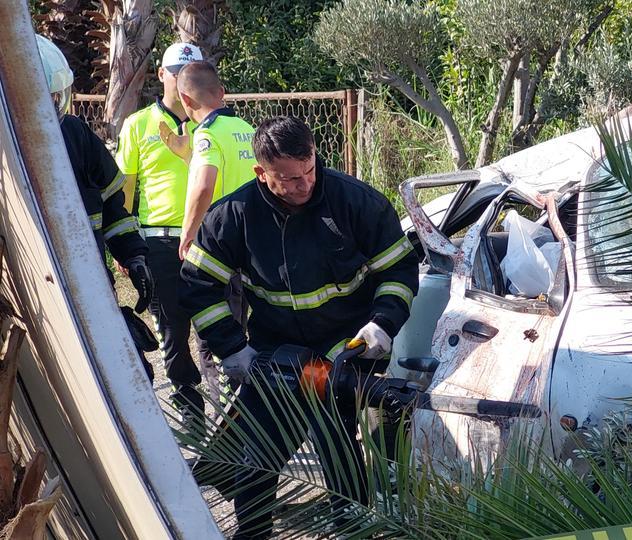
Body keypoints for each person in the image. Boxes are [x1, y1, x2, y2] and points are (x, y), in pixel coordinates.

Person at [179, 116, 419, 539]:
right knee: (257, 447)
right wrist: (233, 349)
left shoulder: (355, 202)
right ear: (260, 172)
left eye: (308, 170)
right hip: (274, 351)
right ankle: (252, 530)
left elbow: (398, 268)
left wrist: (382, 323)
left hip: (345, 346)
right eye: (287, 179)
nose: (302, 184)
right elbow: (198, 284)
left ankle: (351, 523)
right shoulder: (235, 215)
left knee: (336, 438)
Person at [35, 34, 156, 377]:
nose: (53, 105)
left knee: (128, 372)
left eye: (56, 97)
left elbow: (114, 203)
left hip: (91, 280)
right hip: (33, 290)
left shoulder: (74, 132)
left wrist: (134, 255)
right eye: (45, 98)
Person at [115, 43, 206, 422]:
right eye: (176, 71)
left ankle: (235, 420)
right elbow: (124, 190)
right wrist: (125, 249)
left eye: (192, 71)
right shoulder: (137, 125)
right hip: (158, 242)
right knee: (172, 330)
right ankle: (190, 410)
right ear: (162, 75)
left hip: (209, 241)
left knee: (218, 329)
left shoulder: (211, 122)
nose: (183, 79)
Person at [162, 61, 257, 259]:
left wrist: (188, 231)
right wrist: (188, 156)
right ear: (221, 92)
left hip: (222, 234)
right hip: (252, 231)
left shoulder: (207, 134)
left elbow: (204, 186)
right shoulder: (247, 128)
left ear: (185, 100)